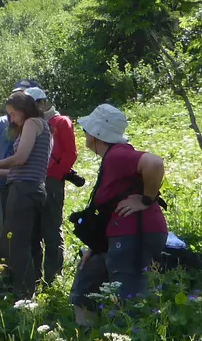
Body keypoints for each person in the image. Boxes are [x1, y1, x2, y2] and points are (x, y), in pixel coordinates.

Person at [70, 104, 168, 325]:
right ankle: (84, 335)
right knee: (87, 277)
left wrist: (146, 199)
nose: (85, 134)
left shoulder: (118, 155)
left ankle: (131, 340)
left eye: (86, 130)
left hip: (134, 233)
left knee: (128, 298)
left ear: (96, 134)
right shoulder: (113, 157)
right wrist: (96, 246)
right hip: (119, 234)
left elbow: (154, 163)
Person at [0, 90, 52, 297]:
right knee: (25, 241)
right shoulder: (41, 127)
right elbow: (26, 166)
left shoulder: (32, 123)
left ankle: (23, 293)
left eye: (13, 113)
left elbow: (20, 159)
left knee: (14, 243)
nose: (11, 119)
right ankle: (27, 288)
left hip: (24, 190)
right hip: (31, 187)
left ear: (23, 109)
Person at [29, 86, 78, 283]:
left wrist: (55, 175)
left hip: (51, 182)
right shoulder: (31, 124)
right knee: (33, 231)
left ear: (42, 103)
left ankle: (53, 278)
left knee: (51, 229)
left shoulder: (60, 121)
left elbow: (70, 153)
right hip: (33, 181)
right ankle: (35, 277)